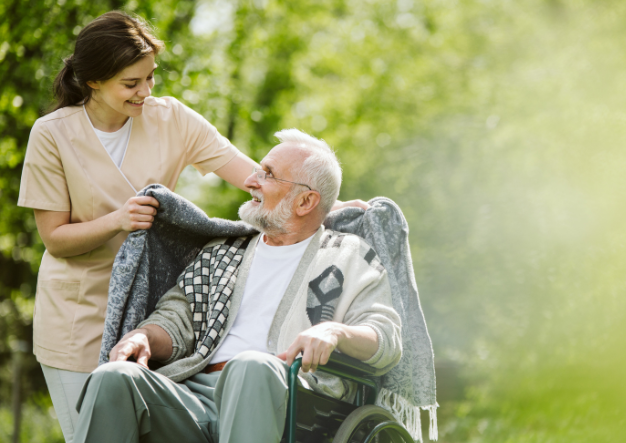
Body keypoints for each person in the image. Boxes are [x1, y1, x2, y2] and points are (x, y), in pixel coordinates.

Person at [16, 11, 365, 443]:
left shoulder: (172, 119)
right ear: (93, 81)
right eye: (131, 84)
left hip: (152, 310)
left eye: (150, 78)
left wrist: (324, 201)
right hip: (78, 316)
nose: (145, 92)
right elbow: (55, 239)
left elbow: (256, 177)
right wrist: (117, 221)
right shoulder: (51, 135)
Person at [72, 129, 402, 443]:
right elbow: (176, 319)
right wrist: (142, 335)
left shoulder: (349, 256)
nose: (249, 181)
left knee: (251, 365)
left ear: (305, 202)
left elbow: (386, 337)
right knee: (113, 378)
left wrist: (334, 332)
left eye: (267, 174)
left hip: (294, 397)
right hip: (195, 395)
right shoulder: (223, 252)